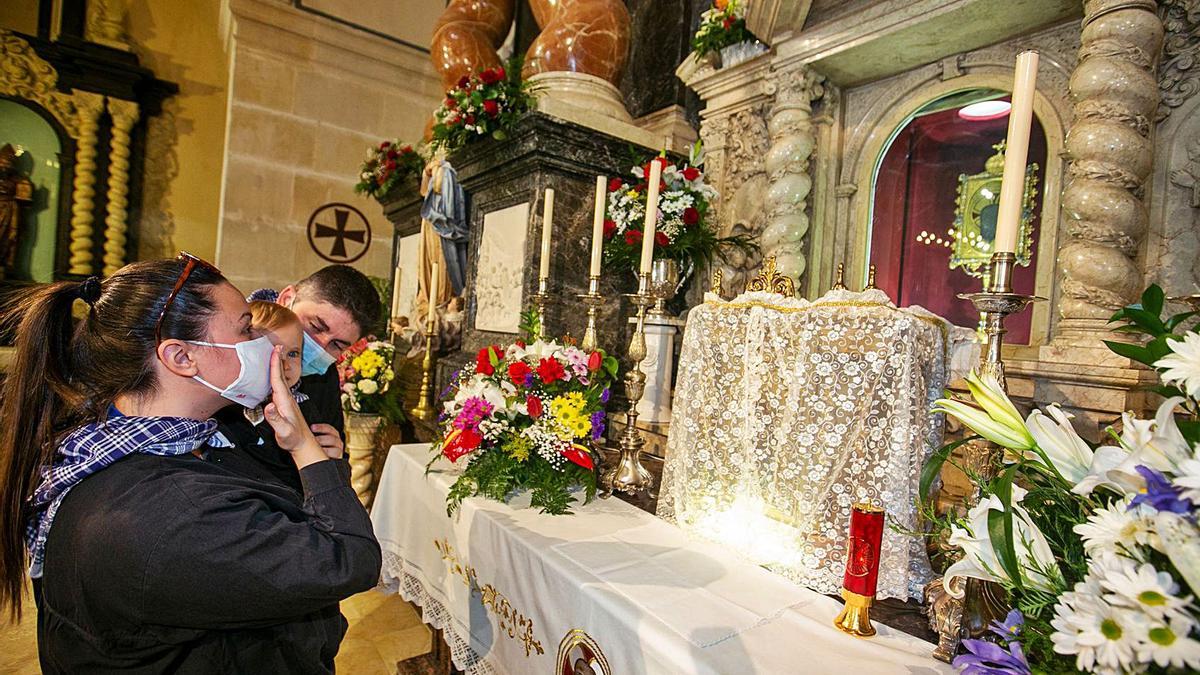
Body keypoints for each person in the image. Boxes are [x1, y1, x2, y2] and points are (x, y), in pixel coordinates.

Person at [0, 254, 382, 673]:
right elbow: (348, 558)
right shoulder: (171, 510)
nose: (267, 347)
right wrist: (306, 449)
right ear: (181, 358)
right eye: (246, 330)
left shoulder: (155, 448)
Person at [215, 301, 344, 493]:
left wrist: (331, 461)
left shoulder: (303, 406)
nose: (284, 363)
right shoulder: (223, 408)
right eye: (271, 351)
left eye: (293, 353)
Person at [248, 265, 381, 442]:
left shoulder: (324, 378)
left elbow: (332, 439)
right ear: (287, 299)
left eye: (336, 345)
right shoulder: (232, 343)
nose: (320, 347)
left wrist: (334, 459)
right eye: (315, 327)